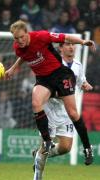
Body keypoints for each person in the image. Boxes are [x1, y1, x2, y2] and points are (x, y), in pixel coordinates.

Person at [5, 20, 95, 157]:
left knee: (72, 113)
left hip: (59, 75)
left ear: (27, 33)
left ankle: (88, 148)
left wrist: (82, 42)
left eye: (22, 37)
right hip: (43, 79)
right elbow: (24, 56)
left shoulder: (41, 36)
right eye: (16, 38)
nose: (20, 41)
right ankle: (47, 141)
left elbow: (64, 37)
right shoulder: (17, 47)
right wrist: (13, 68)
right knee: (36, 103)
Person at [33, 42, 93, 180]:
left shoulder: (78, 65)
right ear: (60, 48)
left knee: (66, 147)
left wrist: (84, 84)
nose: (71, 47)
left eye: (73, 45)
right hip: (50, 110)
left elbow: (79, 80)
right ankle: (37, 177)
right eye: (67, 44)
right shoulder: (53, 64)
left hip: (66, 112)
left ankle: (38, 154)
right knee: (45, 146)